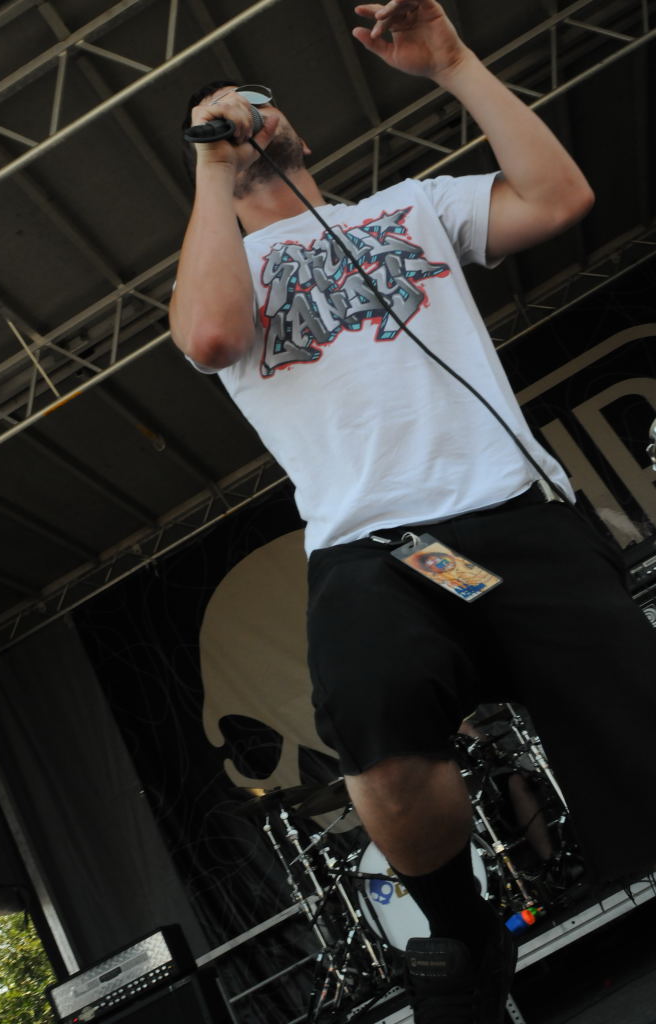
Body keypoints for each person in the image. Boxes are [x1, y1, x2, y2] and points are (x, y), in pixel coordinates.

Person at [169, 3, 656, 1021]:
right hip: (375, 548)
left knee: (633, 718)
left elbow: (558, 196)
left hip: (508, 516)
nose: (243, 117)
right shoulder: (223, 272)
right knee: (372, 707)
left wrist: (453, 63)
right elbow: (209, 338)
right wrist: (211, 169)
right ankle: (462, 930)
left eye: (255, 102)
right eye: (220, 115)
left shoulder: (410, 209)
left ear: (298, 131)